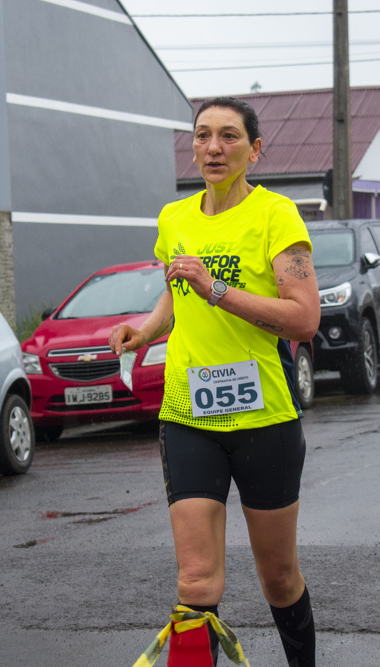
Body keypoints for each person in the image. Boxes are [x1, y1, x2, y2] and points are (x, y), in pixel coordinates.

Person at [109, 97, 320, 666]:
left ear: (254, 150)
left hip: (264, 419)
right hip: (188, 413)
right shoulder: (174, 219)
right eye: (203, 136)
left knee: (277, 578)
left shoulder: (276, 216)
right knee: (197, 583)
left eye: (229, 137)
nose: (213, 147)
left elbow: (304, 318)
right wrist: (145, 330)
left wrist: (217, 290)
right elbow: (176, 294)